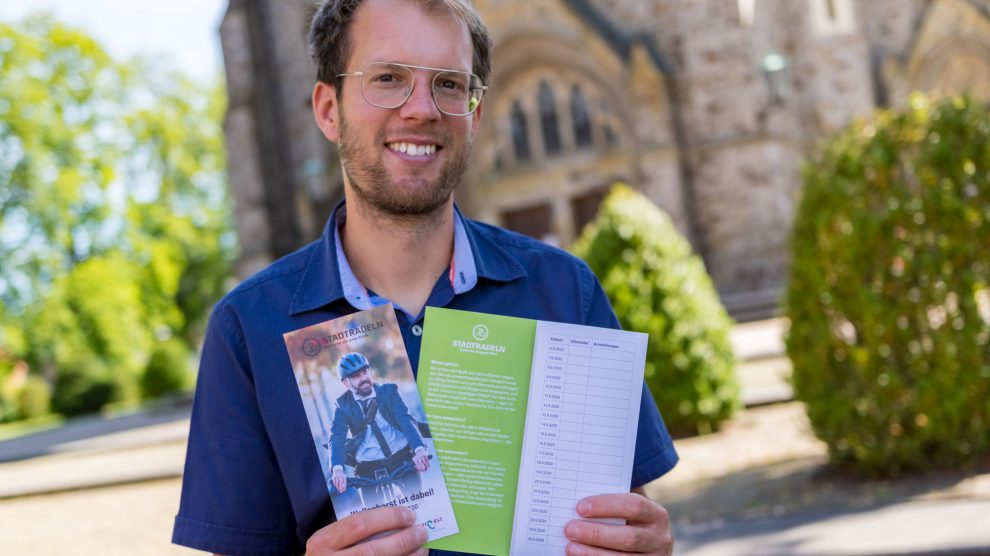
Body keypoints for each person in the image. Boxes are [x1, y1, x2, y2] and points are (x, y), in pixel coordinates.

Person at [172, 0, 678, 554]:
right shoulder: (247, 329)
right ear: (328, 109)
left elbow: (624, 516)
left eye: (448, 84)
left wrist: (647, 546)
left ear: (475, 112)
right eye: (387, 79)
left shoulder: (566, 290)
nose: (421, 109)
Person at [329, 352, 430, 505]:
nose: (363, 378)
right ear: (346, 383)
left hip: (401, 458)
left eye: (365, 371)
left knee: (418, 502)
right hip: (367, 467)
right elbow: (336, 437)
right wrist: (337, 470)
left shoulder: (389, 392)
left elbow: (405, 419)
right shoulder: (342, 406)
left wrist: (419, 449)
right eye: (356, 375)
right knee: (373, 514)